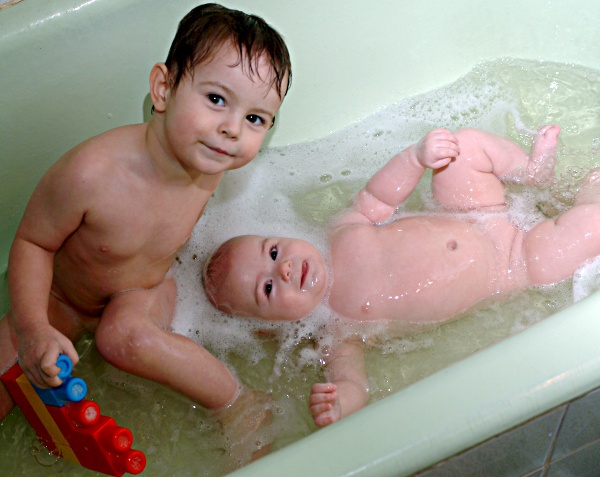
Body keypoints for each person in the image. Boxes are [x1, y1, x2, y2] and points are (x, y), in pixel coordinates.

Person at [0, 3, 291, 425]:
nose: (233, 129)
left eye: (254, 118)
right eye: (216, 99)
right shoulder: (91, 174)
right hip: (58, 300)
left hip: (144, 290)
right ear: (163, 89)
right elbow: (33, 244)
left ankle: (239, 403)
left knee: (123, 337)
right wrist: (32, 329)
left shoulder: (210, 161)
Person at [203, 125, 600, 427]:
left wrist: (415, 157)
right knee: (590, 227)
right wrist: (342, 401)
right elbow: (354, 382)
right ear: (269, 326)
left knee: (463, 147)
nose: (285, 268)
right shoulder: (336, 331)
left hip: (469, 211)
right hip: (512, 263)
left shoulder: (339, 229)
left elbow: (378, 197)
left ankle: (533, 172)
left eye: (274, 251)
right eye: (268, 287)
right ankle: (588, 201)